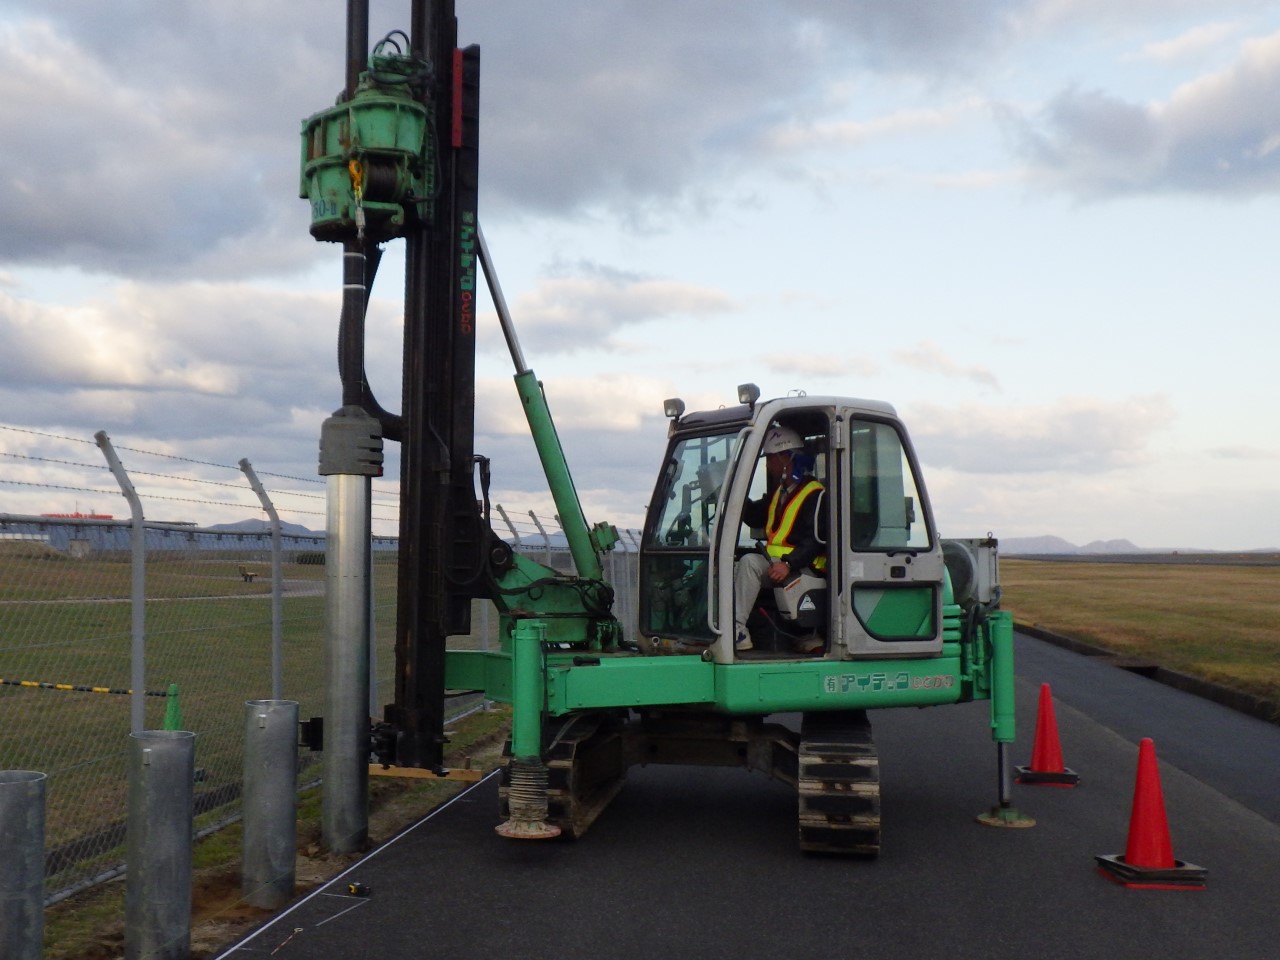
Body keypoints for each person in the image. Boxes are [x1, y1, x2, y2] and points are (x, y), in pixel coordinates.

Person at [733, 425, 826, 654]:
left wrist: (788, 564)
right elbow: (755, 516)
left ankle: (737, 630)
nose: (768, 464)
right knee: (733, 565)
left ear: (787, 458)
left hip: (802, 567)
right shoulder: (780, 491)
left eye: (771, 458)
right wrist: (731, 496)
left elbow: (815, 540)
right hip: (779, 563)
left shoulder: (814, 494)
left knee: (749, 564)